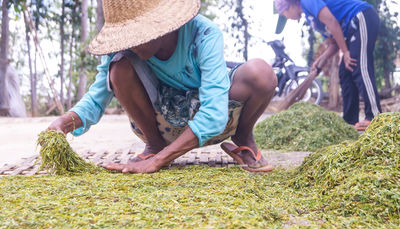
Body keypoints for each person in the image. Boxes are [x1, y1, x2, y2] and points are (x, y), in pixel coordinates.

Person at [48, 0, 277, 173]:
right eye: (125, 37)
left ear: (163, 24)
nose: (131, 44)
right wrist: (62, 124)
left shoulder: (203, 33)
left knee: (262, 73)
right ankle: (154, 145)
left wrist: (159, 163)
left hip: (220, 117)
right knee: (118, 67)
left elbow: (215, 115)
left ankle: (244, 138)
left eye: (137, 35)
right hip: (162, 120)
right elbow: (98, 97)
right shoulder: (124, 50)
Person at [275, 0, 382, 130]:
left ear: (290, 6)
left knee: (359, 65)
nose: (286, 17)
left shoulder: (307, 2)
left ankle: (374, 116)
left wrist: (345, 52)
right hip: (352, 30)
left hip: (362, 17)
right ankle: (349, 122)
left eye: (284, 13)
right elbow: (334, 43)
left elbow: (332, 22)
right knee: (345, 72)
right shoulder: (311, 20)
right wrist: (321, 59)